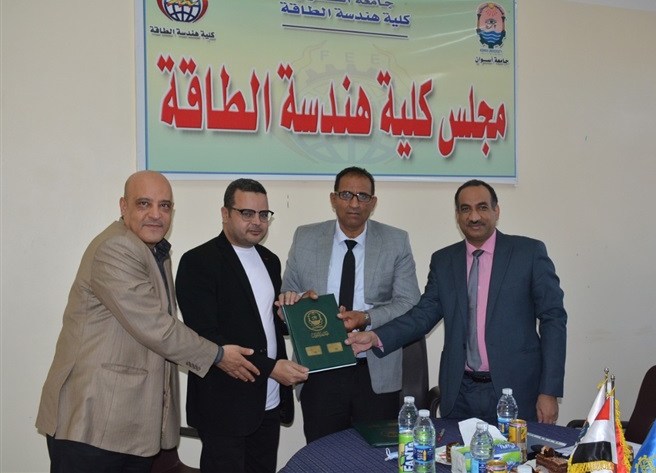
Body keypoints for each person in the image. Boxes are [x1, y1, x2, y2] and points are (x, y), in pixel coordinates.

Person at [36, 171, 260, 473]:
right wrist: (218, 355)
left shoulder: (155, 250)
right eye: (144, 204)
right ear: (123, 206)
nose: (156, 214)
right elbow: (156, 328)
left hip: (129, 427)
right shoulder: (117, 247)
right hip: (93, 421)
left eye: (164, 206)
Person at [346, 179, 567, 425]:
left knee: (517, 452)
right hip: (460, 394)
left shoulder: (528, 253)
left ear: (496, 211)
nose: (474, 217)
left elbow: (553, 319)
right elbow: (422, 315)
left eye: (482, 207)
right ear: (457, 216)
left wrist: (549, 391)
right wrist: (376, 337)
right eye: (465, 209)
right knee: (458, 452)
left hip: (515, 392)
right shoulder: (444, 261)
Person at [278, 166, 421, 443]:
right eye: (346, 195)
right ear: (333, 199)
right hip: (320, 368)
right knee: (322, 454)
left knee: (376, 456)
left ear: (373, 202)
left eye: (362, 196)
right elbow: (288, 295)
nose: (354, 203)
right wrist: (296, 303)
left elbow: (409, 303)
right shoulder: (305, 237)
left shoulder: (396, 241)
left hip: (374, 368)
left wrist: (366, 318)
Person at [175, 178, 309, 473]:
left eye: (263, 214)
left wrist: (294, 314)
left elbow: (266, 322)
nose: (257, 222)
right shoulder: (198, 261)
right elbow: (204, 335)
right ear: (225, 213)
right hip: (224, 405)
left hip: (268, 401)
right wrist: (271, 368)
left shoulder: (270, 260)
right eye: (247, 213)